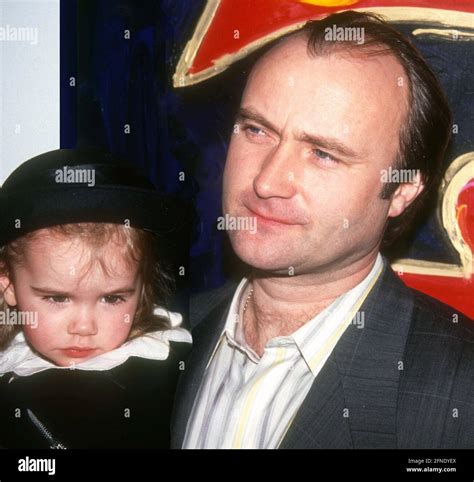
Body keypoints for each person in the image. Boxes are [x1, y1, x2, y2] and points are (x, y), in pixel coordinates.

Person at [171, 11, 474, 449]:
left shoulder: (459, 398)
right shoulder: (163, 340)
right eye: (257, 130)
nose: (266, 182)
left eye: (323, 154)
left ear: (403, 191)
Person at [0, 148, 192, 449]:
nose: (84, 327)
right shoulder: (9, 368)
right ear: (8, 285)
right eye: (57, 298)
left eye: (112, 299)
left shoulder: (168, 379)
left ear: (142, 288)